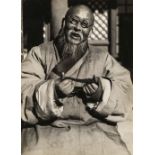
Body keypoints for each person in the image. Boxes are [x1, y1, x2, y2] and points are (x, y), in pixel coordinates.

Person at [21, 5, 133, 155]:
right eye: (74, 21)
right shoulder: (39, 53)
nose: (78, 28)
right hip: (47, 128)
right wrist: (54, 91)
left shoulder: (102, 57)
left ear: (90, 30)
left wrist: (101, 92)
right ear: (63, 23)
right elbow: (22, 87)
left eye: (85, 25)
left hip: (94, 127)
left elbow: (125, 89)